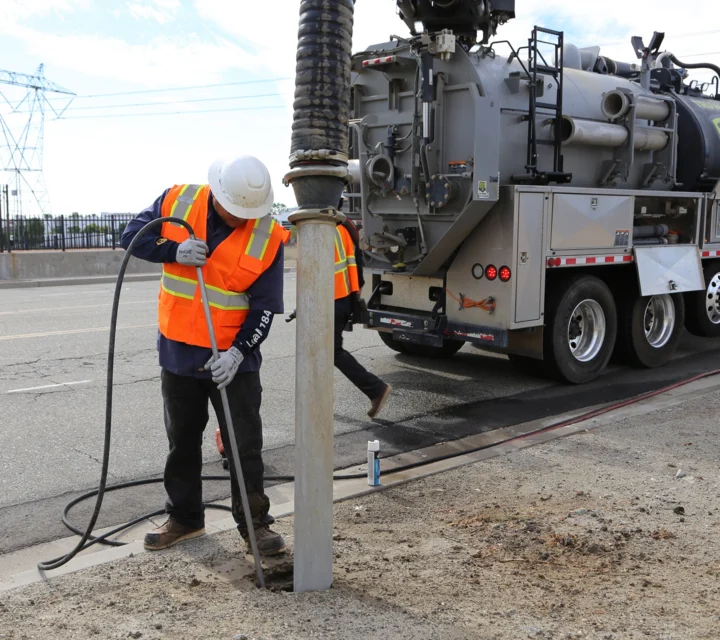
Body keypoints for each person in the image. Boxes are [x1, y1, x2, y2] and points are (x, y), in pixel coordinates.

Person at [121, 155, 290, 556]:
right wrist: (173, 250)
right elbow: (132, 236)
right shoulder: (177, 202)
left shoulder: (268, 236)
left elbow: (264, 307)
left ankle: (255, 525)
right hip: (179, 350)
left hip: (233, 363)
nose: (240, 219)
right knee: (182, 440)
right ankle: (184, 518)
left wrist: (237, 353)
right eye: (234, 211)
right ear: (218, 194)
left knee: (243, 445)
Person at [333, 208, 392, 418]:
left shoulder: (327, 229)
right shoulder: (343, 225)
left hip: (334, 297)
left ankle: (376, 389)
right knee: (321, 350)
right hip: (343, 297)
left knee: (330, 350)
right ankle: (316, 399)